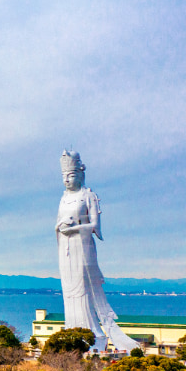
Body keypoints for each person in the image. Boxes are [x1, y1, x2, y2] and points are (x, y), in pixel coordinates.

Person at [56, 151, 139, 353]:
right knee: (70, 292)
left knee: (84, 289)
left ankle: (92, 332)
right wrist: (61, 227)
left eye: (72, 175)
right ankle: (72, 329)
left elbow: (94, 226)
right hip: (65, 251)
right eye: (64, 176)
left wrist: (74, 228)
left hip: (83, 249)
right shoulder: (63, 199)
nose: (67, 180)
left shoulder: (88, 196)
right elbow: (57, 224)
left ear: (81, 174)